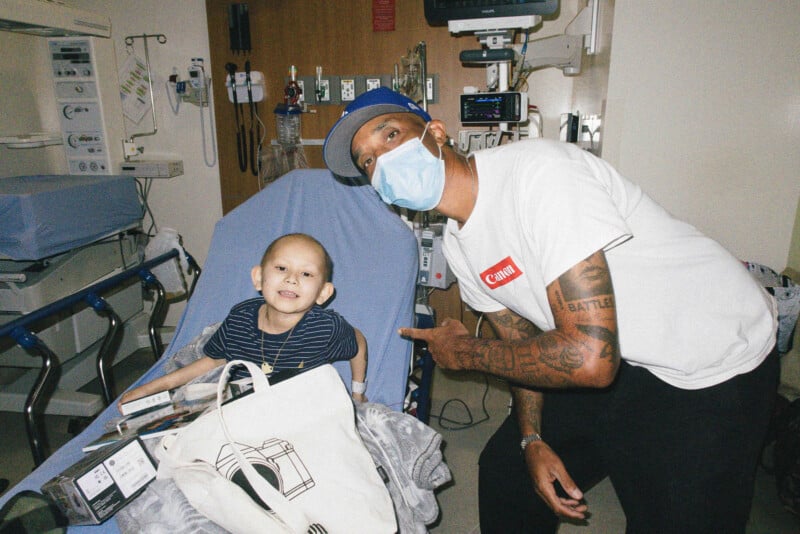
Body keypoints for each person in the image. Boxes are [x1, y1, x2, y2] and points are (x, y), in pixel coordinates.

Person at [322, 87, 779, 532]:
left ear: (436, 133)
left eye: (389, 136)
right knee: (509, 471)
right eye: (368, 161)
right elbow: (520, 342)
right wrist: (532, 438)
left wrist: (464, 354)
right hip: (621, 354)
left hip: (715, 357)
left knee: (667, 512)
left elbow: (588, 359)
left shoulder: (540, 176)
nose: (382, 162)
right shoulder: (460, 246)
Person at [119, 232, 368, 408]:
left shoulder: (325, 329)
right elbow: (213, 361)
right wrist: (150, 389)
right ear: (258, 278)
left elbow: (358, 342)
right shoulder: (240, 320)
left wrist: (358, 393)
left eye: (306, 273)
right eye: (281, 268)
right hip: (245, 409)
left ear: (323, 293)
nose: (292, 278)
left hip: (303, 411)